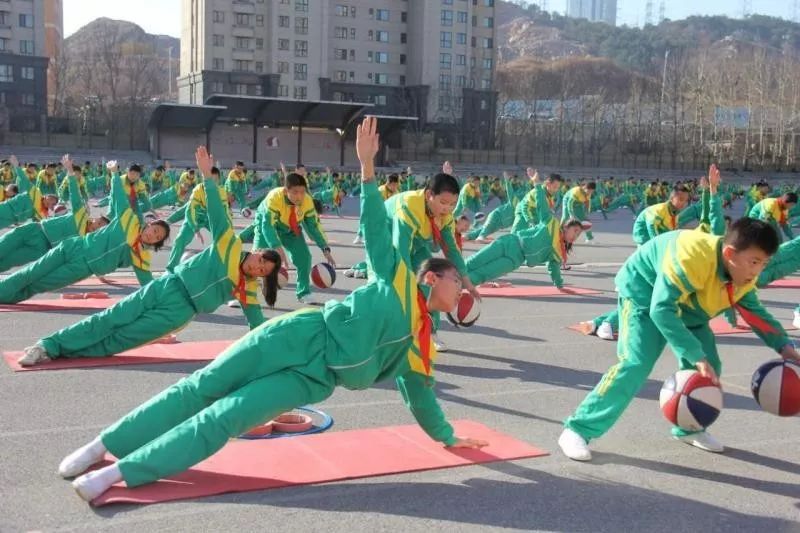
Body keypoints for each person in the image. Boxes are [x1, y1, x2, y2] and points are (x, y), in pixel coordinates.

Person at [59, 116, 489, 503]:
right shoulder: (395, 275)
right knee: (201, 386)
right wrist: (368, 169)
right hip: (297, 335)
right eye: (456, 282)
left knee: (226, 417)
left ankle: (121, 471)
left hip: (311, 380)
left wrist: (449, 436)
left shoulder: (421, 341)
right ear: (432, 278)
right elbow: (376, 226)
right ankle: (103, 445)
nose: (461, 294)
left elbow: (421, 397)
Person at [558, 218, 800, 462]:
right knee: (636, 363)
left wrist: (785, 346)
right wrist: (695, 354)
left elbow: (755, 313)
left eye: (764, 263)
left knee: (710, 369)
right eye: (754, 262)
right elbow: (661, 310)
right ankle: (578, 428)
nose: (757, 270)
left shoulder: (744, 276)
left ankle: (689, 427)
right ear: (729, 253)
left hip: (691, 307)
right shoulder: (692, 257)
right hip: (645, 292)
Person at [18, 148, 280, 367]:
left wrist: (274, 352)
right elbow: (216, 211)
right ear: (257, 252)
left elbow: (256, 322)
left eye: (262, 271)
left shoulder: (248, 288)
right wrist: (206, 177)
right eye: (261, 262)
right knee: (111, 318)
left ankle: (60, 352)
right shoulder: (229, 244)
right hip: (166, 285)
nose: (258, 268)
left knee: (121, 340)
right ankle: (47, 344)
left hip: (179, 312)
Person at [0, 162, 169, 304]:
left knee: (39, 284)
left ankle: (4, 296)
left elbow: (147, 283)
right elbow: (118, 196)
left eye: (157, 237)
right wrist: (115, 174)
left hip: (82, 267)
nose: (153, 235)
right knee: (31, 272)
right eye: (154, 230)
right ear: (148, 224)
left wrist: (162, 300)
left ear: (156, 243)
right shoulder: (128, 220)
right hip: (72, 246)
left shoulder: (140, 255)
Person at [0, 155, 108, 273]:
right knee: (4, 245)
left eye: (99, 229)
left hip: (42, 248)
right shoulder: (81, 215)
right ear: (95, 219)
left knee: (11, 261)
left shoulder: (85, 240)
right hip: (36, 229)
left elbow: (87, 258)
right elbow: (75, 193)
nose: (96, 227)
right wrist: (70, 171)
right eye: (98, 223)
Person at [252, 170, 336, 305]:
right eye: (295, 192)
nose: (299, 196)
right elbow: (267, 226)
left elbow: (313, 227)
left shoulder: (307, 201)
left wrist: (325, 248)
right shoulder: (275, 197)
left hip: (291, 228)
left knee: (304, 258)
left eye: (302, 192)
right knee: (256, 259)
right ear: (286, 191)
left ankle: (304, 292)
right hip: (266, 225)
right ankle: (246, 293)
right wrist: (277, 248)